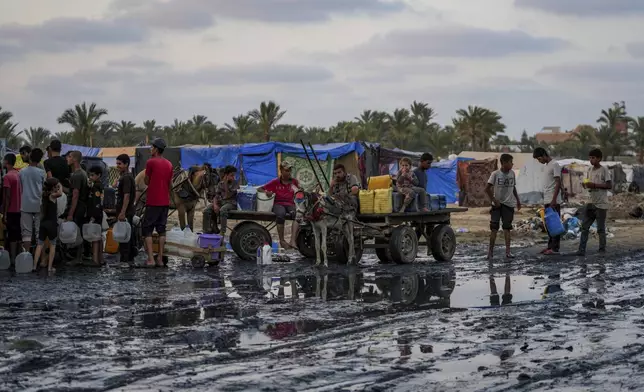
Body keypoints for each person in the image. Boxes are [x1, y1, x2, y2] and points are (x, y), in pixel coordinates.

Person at [143, 138, 173, 268]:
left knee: (147, 229)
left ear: (155, 149)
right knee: (162, 230)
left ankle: (151, 259)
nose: (150, 149)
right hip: (164, 202)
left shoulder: (150, 162)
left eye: (151, 147)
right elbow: (169, 184)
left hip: (153, 201)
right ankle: (160, 258)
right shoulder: (169, 164)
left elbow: (146, 181)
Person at [485, 153, 521, 260]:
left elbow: (513, 187)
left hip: (509, 205)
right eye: (510, 162)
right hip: (497, 205)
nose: (512, 164)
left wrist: (518, 200)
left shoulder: (512, 174)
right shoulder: (495, 174)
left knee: (507, 229)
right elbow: (487, 189)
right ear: (504, 163)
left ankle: (508, 252)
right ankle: (490, 253)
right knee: (494, 229)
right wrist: (494, 200)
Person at [577, 148, 612, 256]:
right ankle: (581, 250)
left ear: (599, 158)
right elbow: (588, 183)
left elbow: (609, 185)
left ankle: (602, 250)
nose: (591, 160)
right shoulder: (589, 170)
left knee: (600, 229)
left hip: (601, 204)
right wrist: (585, 184)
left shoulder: (604, 170)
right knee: (584, 227)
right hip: (591, 202)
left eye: (593, 158)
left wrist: (595, 185)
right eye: (590, 158)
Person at [257, 161, 299, 249]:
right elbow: (260, 189)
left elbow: (299, 192)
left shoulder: (294, 182)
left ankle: (293, 240)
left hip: (291, 204)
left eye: (289, 170)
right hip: (278, 203)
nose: (288, 172)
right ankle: (282, 240)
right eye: (286, 170)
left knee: (297, 215)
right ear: (281, 170)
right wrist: (266, 192)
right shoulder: (275, 182)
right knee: (280, 214)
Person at [533, 147, 562, 255]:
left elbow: (558, 182)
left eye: (539, 158)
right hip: (547, 199)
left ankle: (555, 248)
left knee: (555, 224)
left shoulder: (555, 164)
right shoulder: (546, 167)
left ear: (544, 155)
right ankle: (550, 246)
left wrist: (554, 200)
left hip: (553, 200)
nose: (539, 161)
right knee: (549, 225)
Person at [33, 178, 63, 272]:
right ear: (53, 187)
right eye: (56, 187)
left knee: (39, 245)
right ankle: (50, 267)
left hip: (43, 223)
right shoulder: (52, 196)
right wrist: (60, 184)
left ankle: (34, 266)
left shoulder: (44, 195)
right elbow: (61, 193)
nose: (58, 188)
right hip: (52, 224)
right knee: (53, 245)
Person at [19, 148, 46, 254]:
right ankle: (41, 258)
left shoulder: (22, 172)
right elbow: (44, 188)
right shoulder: (42, 173)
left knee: (26, 233)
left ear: (30, 157)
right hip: (38, 204)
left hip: (25, 204)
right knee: (40, 232)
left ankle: (27, 256)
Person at [65, 151, 90, 262]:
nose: (67, 158)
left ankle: (78, 257)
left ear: (75, 159)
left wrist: (70, 213)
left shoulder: (77, 175)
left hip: (78, 207)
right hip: (83, 206)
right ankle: (82, 255)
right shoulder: (83, 173)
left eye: (69, 157)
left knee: (77, 232)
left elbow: (75, 195)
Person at [115, 154, 137, 265]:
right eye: (117, 163)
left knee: (124, 236)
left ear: (126, 164)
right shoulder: (124, 176)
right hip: (125, 210)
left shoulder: (127, 178)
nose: (117, 166)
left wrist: (123, 212)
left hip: (126, 211)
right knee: (128, 234)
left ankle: (125, 260)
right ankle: (129, 258)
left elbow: (127, 196)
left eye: (120, 164)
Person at [2, 153, 22, 263]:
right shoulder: (19, 174)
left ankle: (13, 258)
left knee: (12, 234)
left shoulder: (7, 177)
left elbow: (7, 196)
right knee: (18, 234)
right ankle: (19, 256)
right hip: (20, 209)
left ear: (6, 162)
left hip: (11, 210)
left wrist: (4, 213)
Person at [212, 165, 238, 235]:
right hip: (222, 202)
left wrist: (226, 184)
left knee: (223, 209)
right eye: (231, 175)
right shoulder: (220, 183)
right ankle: (208, 229)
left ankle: (222, 232)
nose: (233, 177)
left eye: (234, 175)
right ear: (226, 175)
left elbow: (227, 196)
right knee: (207, 210)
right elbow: (216, 196)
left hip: (231, 203)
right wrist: (215, 205)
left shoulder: (235, 183)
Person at [87, 166, 104, 266]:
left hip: (96, 213)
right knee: (99, 236)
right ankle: (100, 258)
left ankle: (95, 259)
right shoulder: (99, 185)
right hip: (99, 213)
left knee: (95, 237)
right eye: (90, 175)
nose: (91, 177)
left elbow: (96, 202)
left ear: (99, 175)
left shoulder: (96, 187)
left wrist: (93, 215)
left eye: (93, 175)